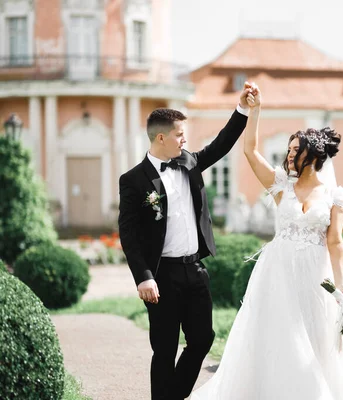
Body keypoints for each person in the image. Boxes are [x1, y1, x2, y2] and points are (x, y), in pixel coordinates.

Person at [191, 86, 343, 399]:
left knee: (315, 335)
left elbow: (335, 242)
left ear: (314, 155)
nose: (290, 155)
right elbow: (250, 152)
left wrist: (341, 287)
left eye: (297, 150)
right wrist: (255, 110)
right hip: (277, 271)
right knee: (279, 336)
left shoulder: (336, 195)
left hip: (316, 276)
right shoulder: (281, 185)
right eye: (290, 149)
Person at [118, 85, 253, 400]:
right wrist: (144, 277)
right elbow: (128, 233)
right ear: (161, 137)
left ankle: (173, 396)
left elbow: (220, 146)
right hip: (161, 276)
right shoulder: (134, 180)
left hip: (195, 269)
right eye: (180, 134)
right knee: (164, 349)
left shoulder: (190, 162)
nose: (185, 140)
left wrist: (242, 110)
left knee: (203, 339)